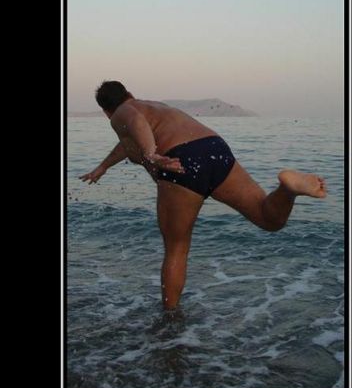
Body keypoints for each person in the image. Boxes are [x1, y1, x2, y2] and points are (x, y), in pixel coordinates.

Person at [80, 81, 327, 310]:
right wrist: (103, 167)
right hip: (213, 147)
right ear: (130, 93)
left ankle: (170, 321)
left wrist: (151, 154)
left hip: (181, 159)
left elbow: (135, 122)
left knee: (176, 249)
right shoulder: (156, 108)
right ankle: (287, 188)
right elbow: (129, 141)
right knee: (269, 219)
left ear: (106, 112)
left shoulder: (123, 111)